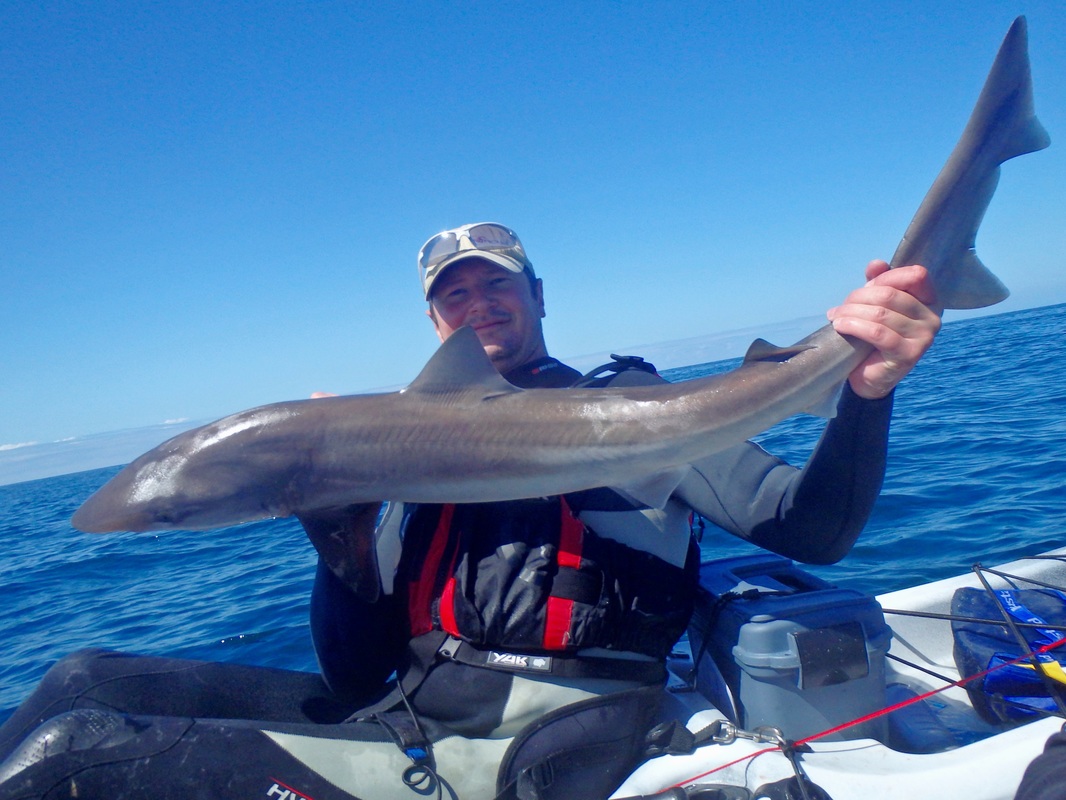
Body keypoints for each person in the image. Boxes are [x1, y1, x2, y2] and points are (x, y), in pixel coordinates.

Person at [0, 222, 940, 799]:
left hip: (552, 740)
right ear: (435, 328)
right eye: (454, 297)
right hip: (414, 723)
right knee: (78, 680)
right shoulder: (405, 453)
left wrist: (865, 389)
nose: (477, 304)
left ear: (536, 296)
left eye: (495, 284)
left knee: (65, 764)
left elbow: (811, 531)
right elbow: (359, 669)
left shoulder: (636, 412)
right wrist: (337, 532)